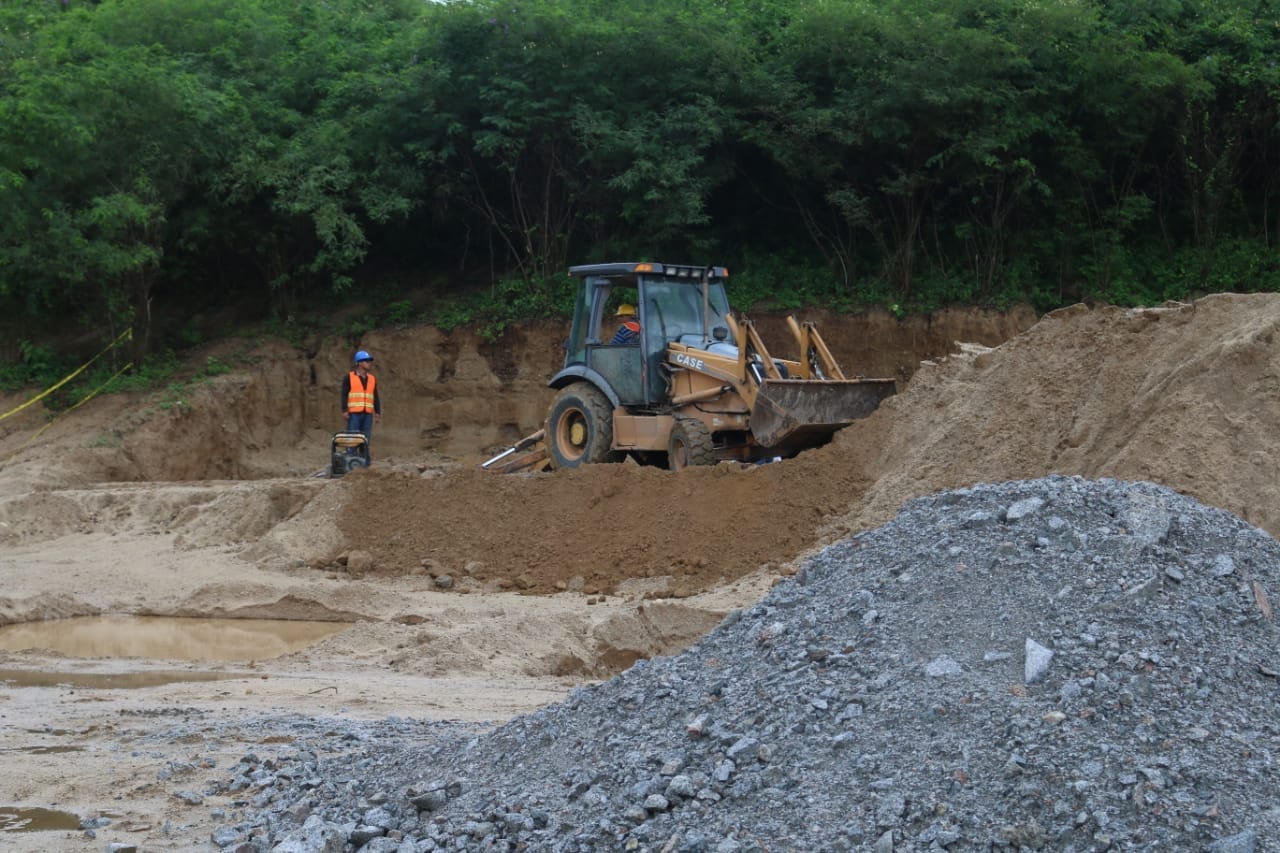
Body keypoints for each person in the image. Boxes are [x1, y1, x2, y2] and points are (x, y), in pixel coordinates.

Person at [341, 350, 381, 458]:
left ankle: (364, 464)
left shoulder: (372, 378)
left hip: (367, 414)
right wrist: (344, 410)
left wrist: (377, 412)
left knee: (365, 439)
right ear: (359, 363)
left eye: (369, 361)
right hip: (354, 414)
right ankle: (350, 462)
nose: (369, 363)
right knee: (352, 439)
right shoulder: (349, 377)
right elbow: (344, 394)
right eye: (367, 361)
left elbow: (375, 396)